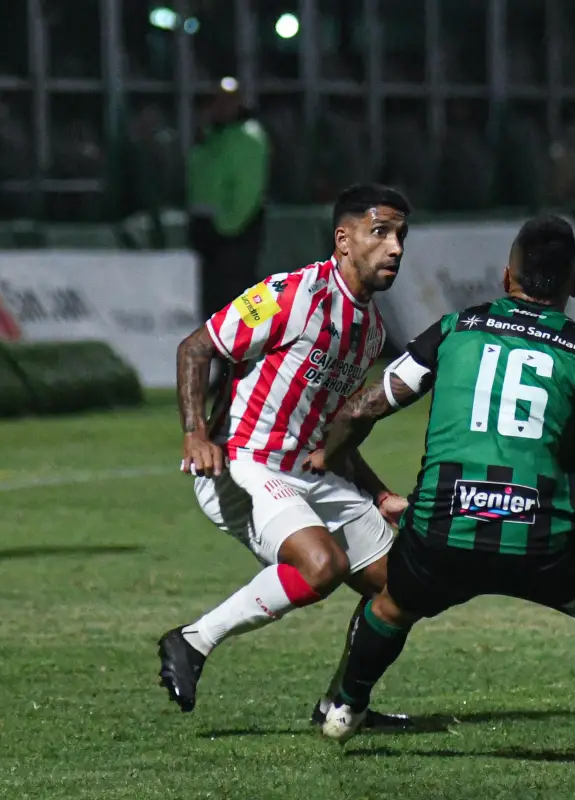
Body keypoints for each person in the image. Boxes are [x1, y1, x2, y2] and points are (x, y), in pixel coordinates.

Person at [317, 216, 575, 768]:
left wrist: (328, 459)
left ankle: (345, 708)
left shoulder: (454, 329)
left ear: (505, 276)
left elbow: (365, 406)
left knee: (393, 604)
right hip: (546, 547)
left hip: (445, 532)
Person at [157, 183, 415, 731]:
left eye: (401, 236)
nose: (395, 248)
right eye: (381, 232)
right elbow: (196, 347)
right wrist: (194, 432)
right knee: (321, 566)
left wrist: (378, 493)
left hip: (306, 474)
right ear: (343, 240)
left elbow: (330, 433)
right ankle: (192, 641)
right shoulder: (290, 294)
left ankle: (343, 705)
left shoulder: (369, 330)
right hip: (243, 463)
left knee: (401, 590)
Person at [186, 77, 270, 327]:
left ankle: (258, 349)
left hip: (235, 227)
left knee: (239, 289)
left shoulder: (249, 136)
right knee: (215, 299)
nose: (221, 106)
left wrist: (227, 224)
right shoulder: (211, 136)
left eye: (228, 100)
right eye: (217, 100)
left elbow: (248, 188)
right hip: (209, 227)